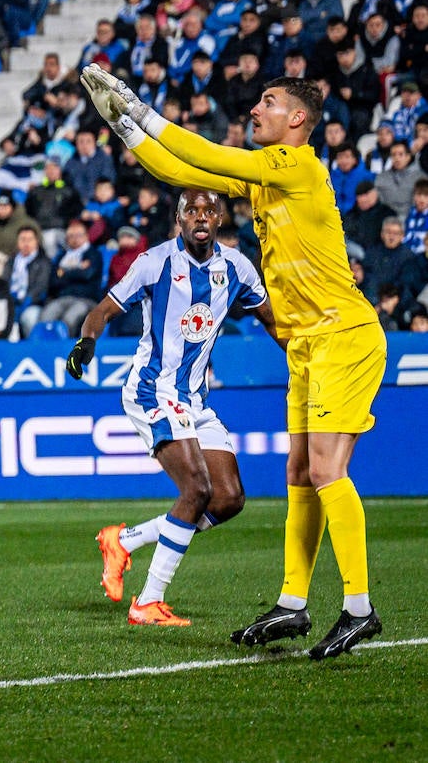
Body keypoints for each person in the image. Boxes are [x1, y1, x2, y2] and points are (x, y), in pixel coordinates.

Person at [81, 64, 388, 659]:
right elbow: (184, 169)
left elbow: (207, 152)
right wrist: (125, 129)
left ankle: (359, 608)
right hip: (308, 345)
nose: (256, 110)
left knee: (326, 472)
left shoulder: (295, 165)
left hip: (343, 335)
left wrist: (141, 109)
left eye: (268, 102)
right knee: (299, 475)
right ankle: (293, 604)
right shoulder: (269, 183)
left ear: (296, 118)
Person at [67, 189, 277, 626]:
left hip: (195, 399)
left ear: (219, 219)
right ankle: (148, 602)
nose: (201, 217)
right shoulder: (154, 262)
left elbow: (272, 319)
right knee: (197, 490)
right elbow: (103, 311)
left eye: (208, 211)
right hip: (152, 391)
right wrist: (85, 344)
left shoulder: (237, 266)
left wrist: (306, 357)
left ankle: (124, 540)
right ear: (179, 221)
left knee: (229, 499)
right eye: (191, 211)